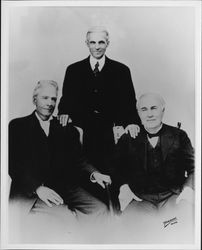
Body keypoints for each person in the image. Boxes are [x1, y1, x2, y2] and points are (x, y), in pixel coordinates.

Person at [9, 80, 110, 216]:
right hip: (32, 192)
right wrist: (37, 188)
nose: (49, 103)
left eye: (53, 99)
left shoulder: (65, 128)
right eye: (45, 98)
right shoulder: (17, 126)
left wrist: (95, 174)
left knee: (101, 209)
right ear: (34, 100)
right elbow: (13, 165)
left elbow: (78, 159)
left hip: (64, 188)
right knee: (65, 216)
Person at [58, 26, 141, 174]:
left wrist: (132, 122)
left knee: (112, 174)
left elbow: (129, 102)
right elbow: (66, 99)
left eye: (101, 42)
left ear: (108, 43)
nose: (97, 47)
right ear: (86, 43)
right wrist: (64, 112)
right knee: (83, 171)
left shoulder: (121, 70)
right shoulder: (73, 70)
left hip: (111, 131)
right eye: (93, 42)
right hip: (83, 131)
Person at [111, 93, 194, 214]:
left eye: (154, 108)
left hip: (173, 196)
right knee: (132, 228)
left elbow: (195, 167)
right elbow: (115, 168)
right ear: (138, 113)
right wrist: (124, 187)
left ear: (163, 110)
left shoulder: (179, 135)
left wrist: (187, 190)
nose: (149, 114)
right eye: (144, 110)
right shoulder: (128, 138)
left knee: (178, 224)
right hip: (139, 198)